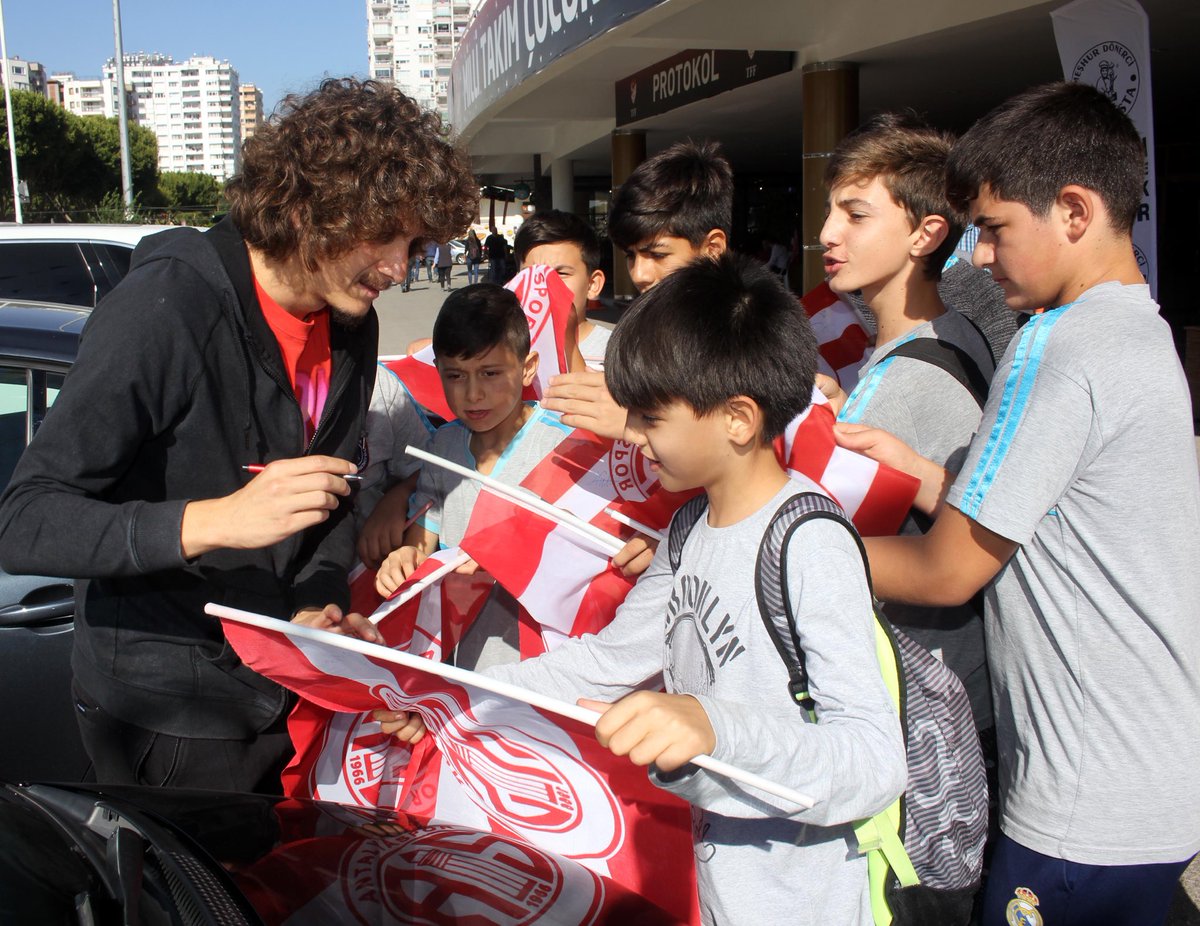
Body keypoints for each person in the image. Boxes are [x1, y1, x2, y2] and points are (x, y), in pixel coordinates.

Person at [0, 78, 478, 794]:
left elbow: (330, 500)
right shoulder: (167, 309)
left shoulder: (352, 323)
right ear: (312, 206)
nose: (399, 268)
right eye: (387, 236)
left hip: (275, 685)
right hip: (166, 713)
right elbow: (26, 520)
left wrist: (314, 606)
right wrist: (218, 520)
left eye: (414, 243)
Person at [836, 82, 1200, 926]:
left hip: (1080, 810)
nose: (979, 260)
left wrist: (769, 541)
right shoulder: (1139, 329)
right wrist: (929, 476)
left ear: (1073, 210)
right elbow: (1058, 521)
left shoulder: (1055, 343)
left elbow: (943, 570)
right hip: (1149, 785)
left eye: (994, 230)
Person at [470, 254, 905, 925]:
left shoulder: (809, 542)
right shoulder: (689, 524)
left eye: (650, 419)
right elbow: (610, 661)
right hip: (715, 890)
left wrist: (712, 728)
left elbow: (874, 761)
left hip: (799, 901)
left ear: (737, 418)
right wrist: (454, 697)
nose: (635, 438)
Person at [819, 112, 995, 738]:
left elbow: (822, 556)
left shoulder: (906, 381)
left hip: (915, 713)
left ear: (926, 234)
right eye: (832, 212)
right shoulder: (957, 332)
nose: (826, 234)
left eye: (856, 215)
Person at [374, 284, 572, 669]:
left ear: (528, 366)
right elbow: (422, 544)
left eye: (490, 372)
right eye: (456, 376)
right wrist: (404, 557)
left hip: (545, 665)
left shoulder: (566, 446)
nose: (474, 393)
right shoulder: (440, 448)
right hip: (460, 663)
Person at [513, 209, 610, 369]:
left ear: (593, 284)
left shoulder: (621, 353)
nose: (545, 285)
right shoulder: (501, 351)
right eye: (533, 274)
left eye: (561, 273)